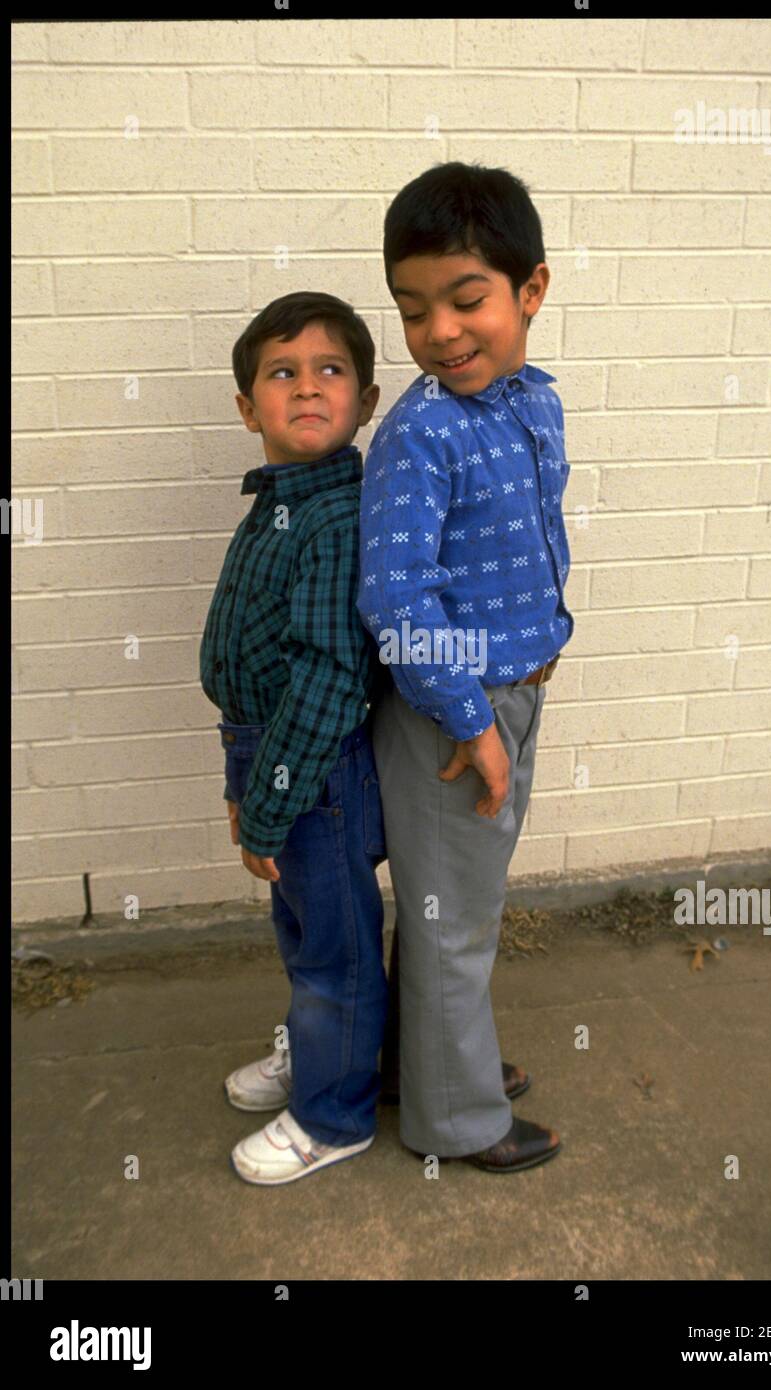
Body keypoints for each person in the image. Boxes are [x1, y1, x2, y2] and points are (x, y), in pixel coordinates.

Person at [357, 161, 573, 1172]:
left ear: (530, 288)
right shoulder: (422, 432)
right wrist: (473, 723)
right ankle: (457, 1119)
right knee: (453, 918)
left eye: (464, 298)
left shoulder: (532, 403)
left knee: (455, 902)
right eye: (411, 310)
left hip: (509, 696)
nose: (438, 331)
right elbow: (396, 600)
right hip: (451, 715)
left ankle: (424, 1063)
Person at [199, 291, 389, 1185]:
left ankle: (334, 1113)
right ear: (249, 408)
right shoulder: (276, 504)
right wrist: (243, 783)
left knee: (335, 948)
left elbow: (326, 679)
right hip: (266, 756)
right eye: (283, 373)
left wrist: (271, 802)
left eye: (330, 370)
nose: (307, 388)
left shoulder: (337, 518)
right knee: (301, 927)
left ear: (367, 399)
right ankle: (320, 1052)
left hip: (315, 770)